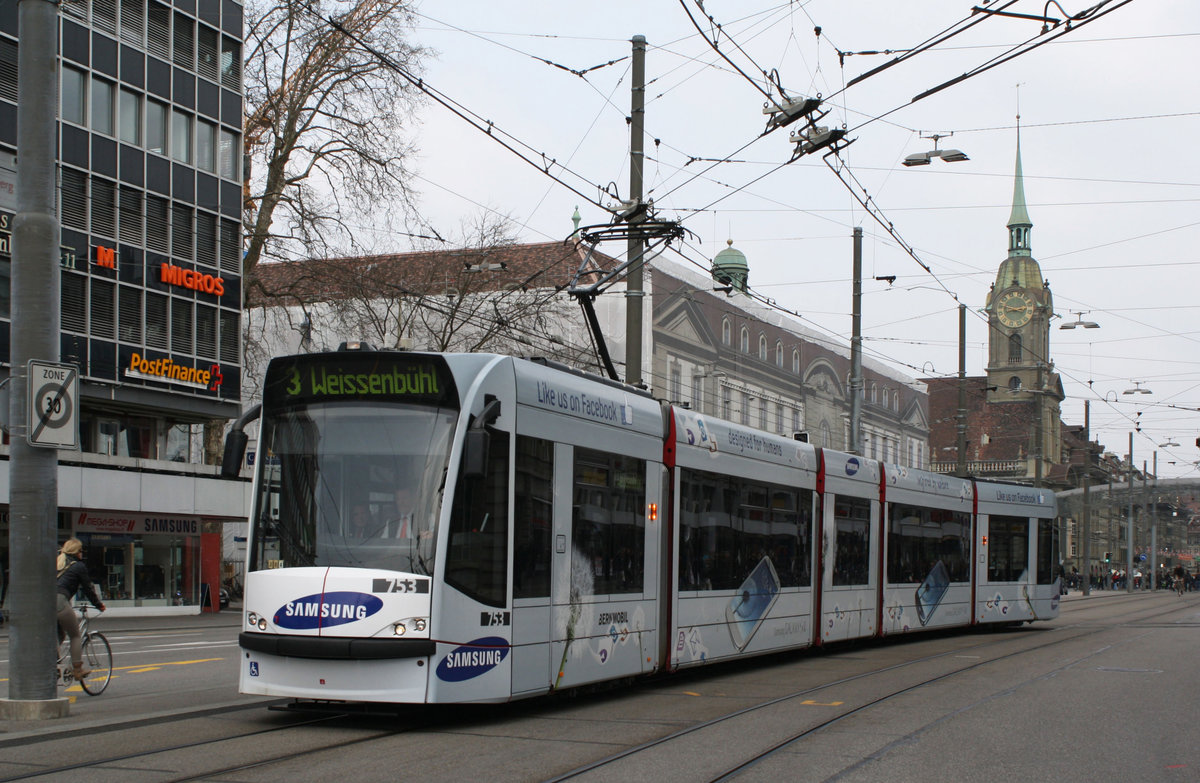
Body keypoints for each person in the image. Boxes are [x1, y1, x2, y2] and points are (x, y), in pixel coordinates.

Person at [56, 538, 105, 680]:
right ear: (76, 552)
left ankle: (54, 666)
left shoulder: (57, 562)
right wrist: (98, 605)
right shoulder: (78, 566)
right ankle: (77, 670)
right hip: (59, 601)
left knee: (58, 635)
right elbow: (88, 588)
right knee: (75, 635)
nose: (82, 553)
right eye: (81, 550)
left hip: (44, 602)